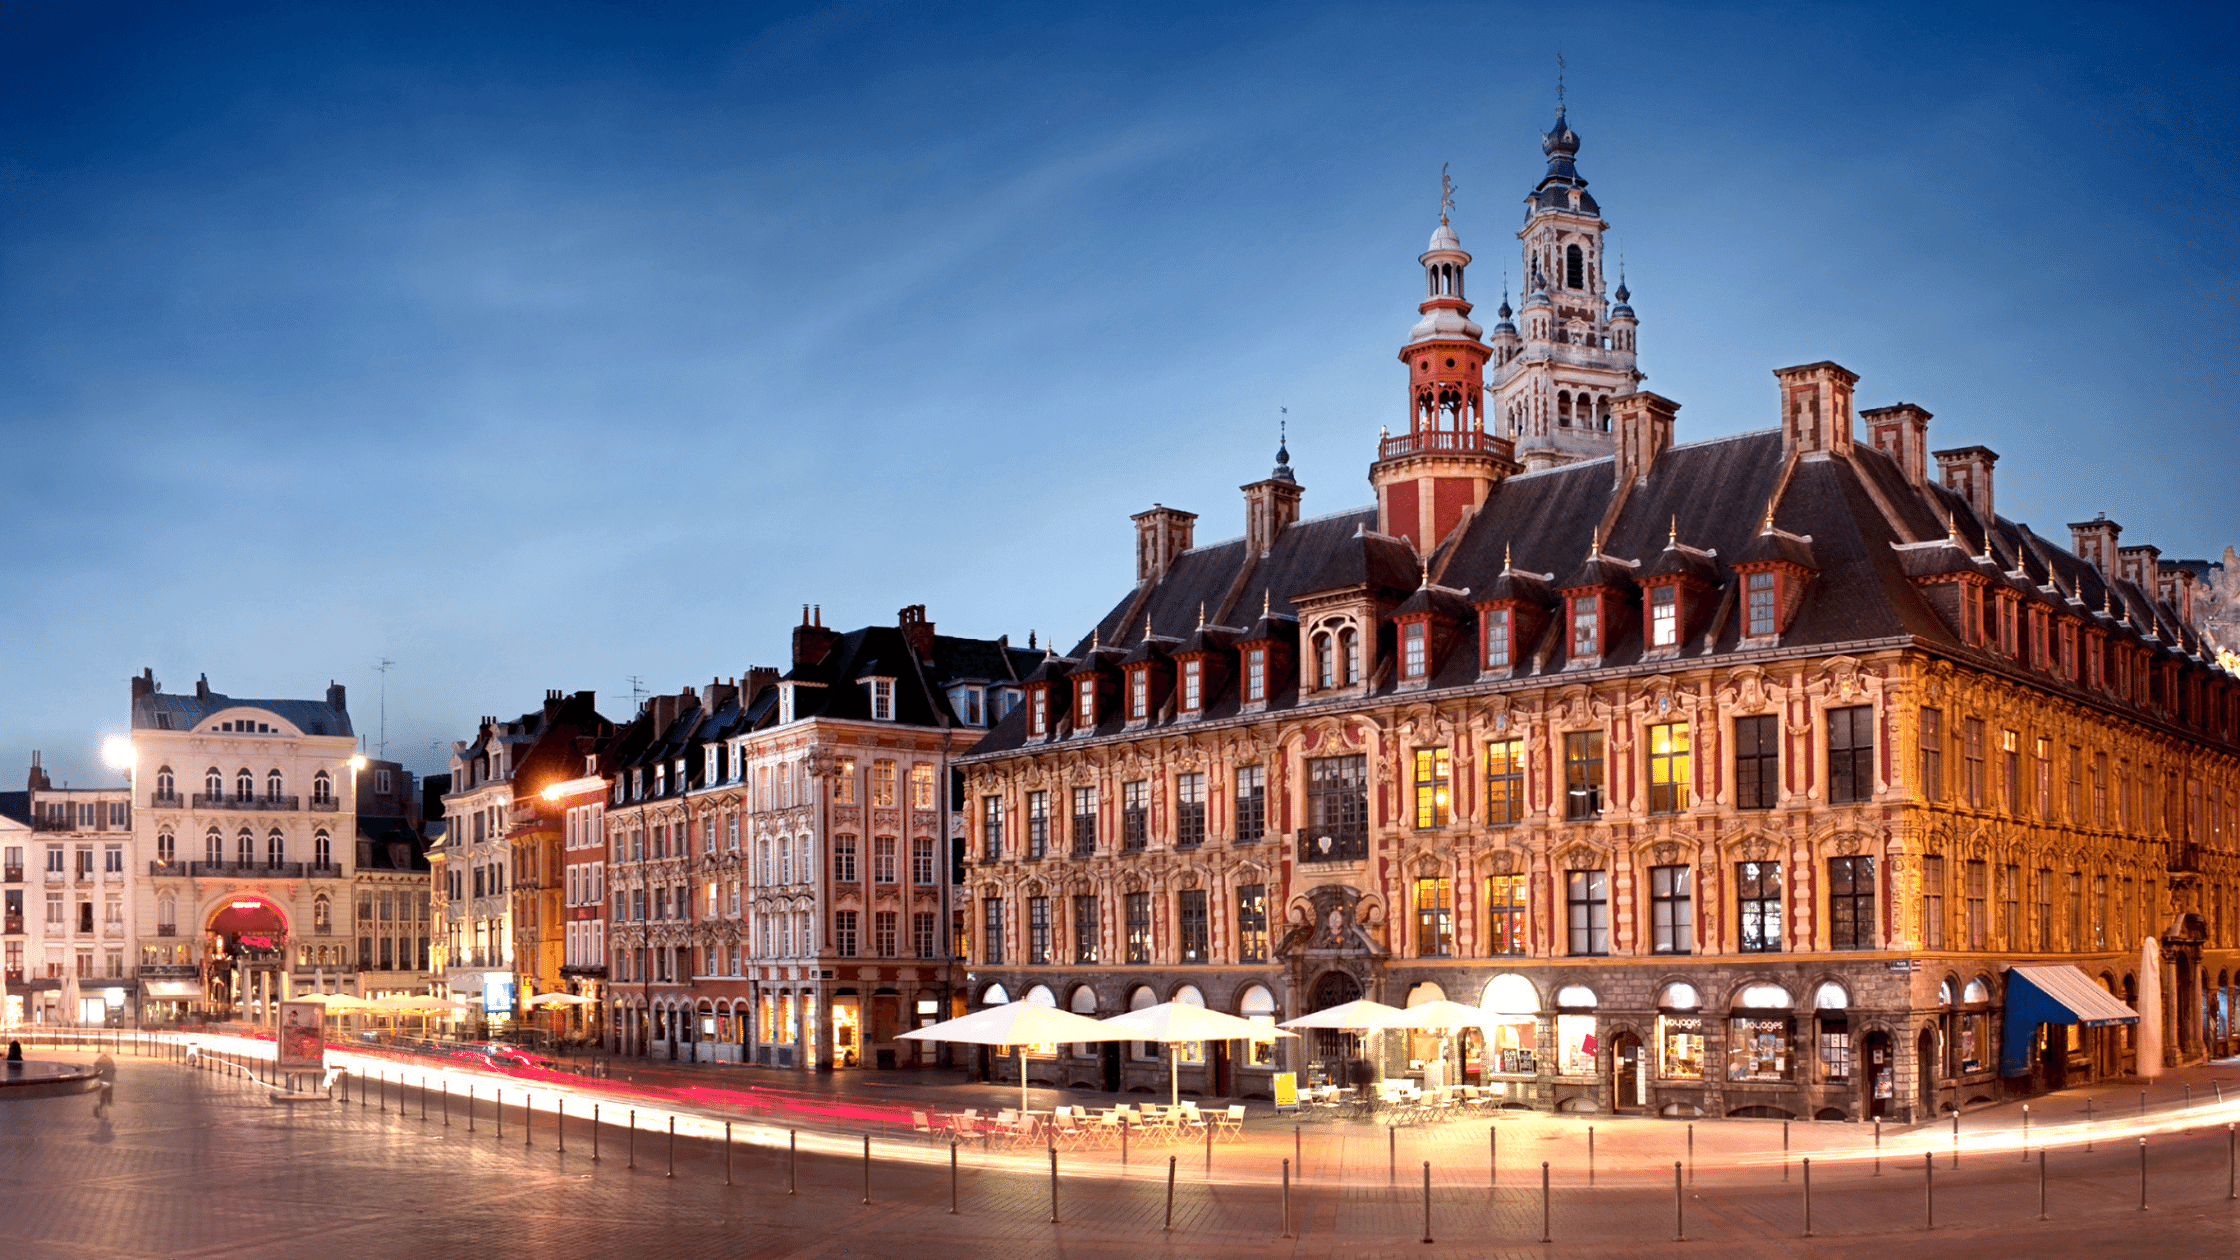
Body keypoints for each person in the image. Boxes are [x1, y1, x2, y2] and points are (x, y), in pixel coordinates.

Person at [93, 1050, 116, 1118]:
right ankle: (102, 1109)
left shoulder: (99, 1060)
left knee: (103, 1096)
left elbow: (96, 1069)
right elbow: (113, 1070)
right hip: (107, 1081)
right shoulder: (110, 1060)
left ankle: (102, 1110)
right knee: (105, 1096)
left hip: (102, 1080)